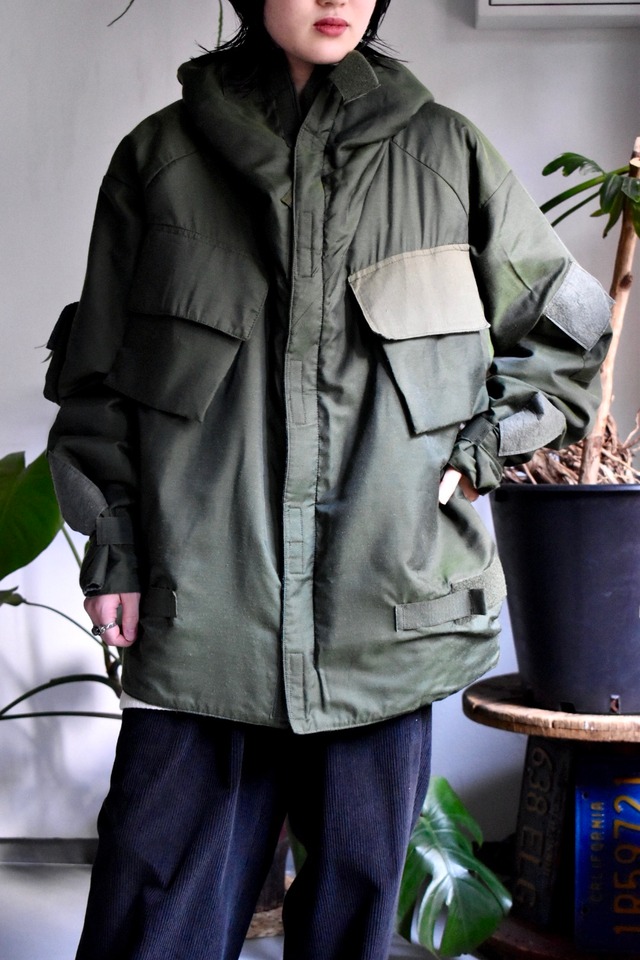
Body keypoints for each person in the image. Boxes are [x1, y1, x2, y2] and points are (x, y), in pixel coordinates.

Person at [44, 1, 612, 957]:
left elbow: (567, 330)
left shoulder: (445, 155)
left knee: (349, 925)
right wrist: (117, 548)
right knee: (155, 920)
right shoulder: (160, 161)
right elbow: (98, 380)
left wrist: (485, 445)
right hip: (202, 611)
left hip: (382, 608)